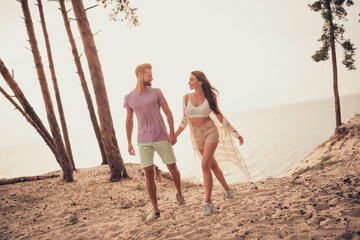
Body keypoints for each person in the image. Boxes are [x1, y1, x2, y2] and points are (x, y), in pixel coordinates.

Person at [175, 70, 250, 215]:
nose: (188, 82)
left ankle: (207, 202)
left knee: (204, 165)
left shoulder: (210, 97)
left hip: (210, 131)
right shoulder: (186, 98)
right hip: (196, 135)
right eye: (188, 80)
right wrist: (175, 135)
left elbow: (220, 117)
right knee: (213, 165)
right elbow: (184, 120)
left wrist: (236, 133)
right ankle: (228, 190)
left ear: (199, 82)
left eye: (191, 80)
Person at [124, 63, 185, 222]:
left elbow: (168, 112)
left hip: (161, 137)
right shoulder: (129, 97)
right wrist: (129, 142)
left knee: (172, 167)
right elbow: (129, 121)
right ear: (140, 76)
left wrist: (172, 133)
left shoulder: (156, 92)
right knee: (148, 174)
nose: (152, 78)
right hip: (143, 141)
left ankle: (179, 193)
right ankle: (155, 210)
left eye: (151, 75)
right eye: (149, 75)